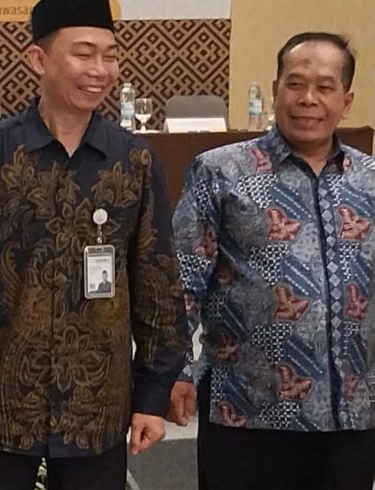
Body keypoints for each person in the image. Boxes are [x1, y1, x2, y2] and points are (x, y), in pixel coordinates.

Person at [0, 0, 190, 488]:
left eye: (110, 56)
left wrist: (153, 393)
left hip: (96, 404)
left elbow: (157, 283)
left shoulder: (134, 161)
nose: (100, 70)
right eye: (83, 54)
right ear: (38, 59)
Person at [171, 32, 375, 490]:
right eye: (295, 84)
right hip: (247, 413)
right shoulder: (221, 171)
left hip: (352, 413)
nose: (308, 99)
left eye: (324, 87)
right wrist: (174, 370)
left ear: (346, 101)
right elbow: (181, 279)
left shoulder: (370, 179)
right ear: (275, 88)